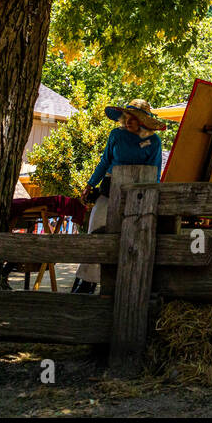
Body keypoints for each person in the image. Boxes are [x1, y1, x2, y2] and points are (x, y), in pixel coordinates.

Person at [71, 99, 167, 294]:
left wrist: (152, 196)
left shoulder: (154, 141)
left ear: (143, 121)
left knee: (132, 237)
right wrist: (90, 184)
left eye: (134, 118)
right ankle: (85, 281)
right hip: (109, 188)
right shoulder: (115, 135)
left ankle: (123, 285)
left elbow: (155, 172)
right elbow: (105, 160)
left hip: (137, 193)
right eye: (126, 117)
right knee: (95, 229)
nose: (128, 121)